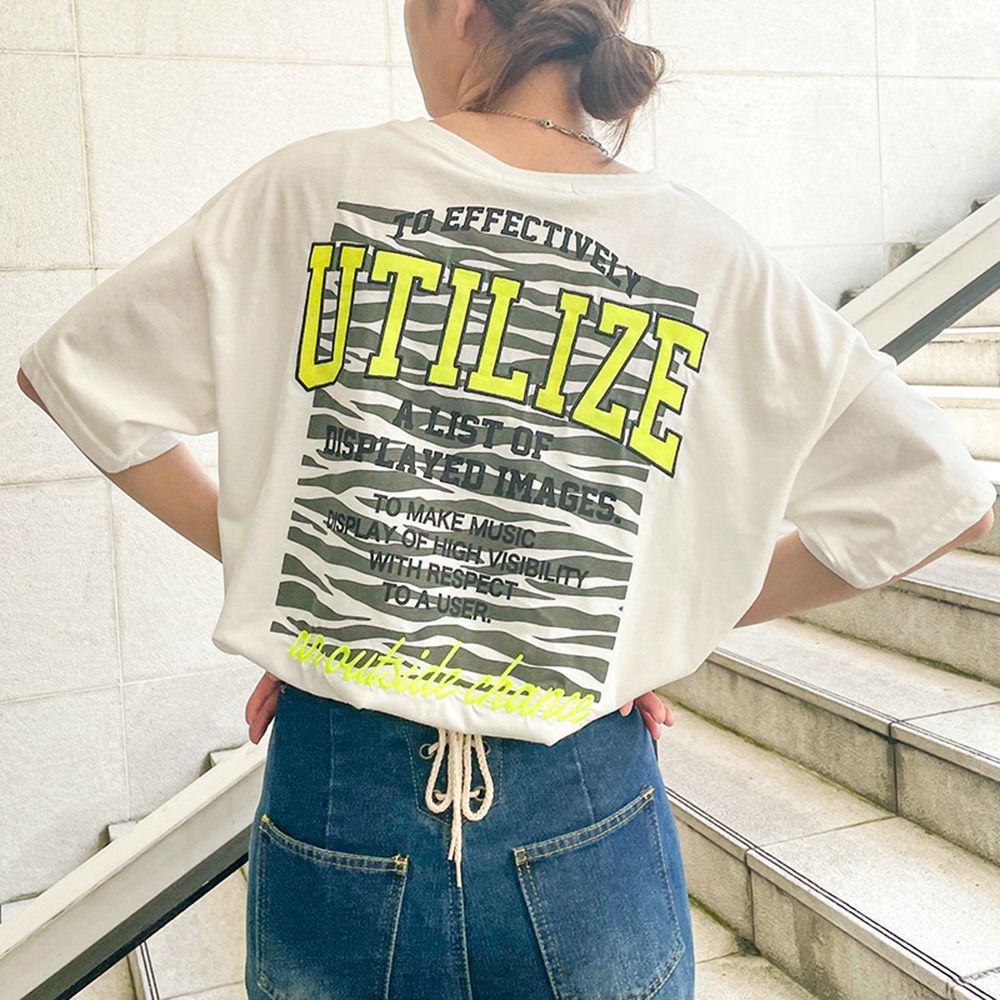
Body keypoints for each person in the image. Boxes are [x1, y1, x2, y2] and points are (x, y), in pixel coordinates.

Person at [16, 1, 995, 997]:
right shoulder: (703, 251)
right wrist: (638, 626)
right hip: (583, 800)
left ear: (452, 11)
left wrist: (297, 582)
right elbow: (940, 500)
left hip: (340, 788)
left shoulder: (313, 187)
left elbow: (75, 378)